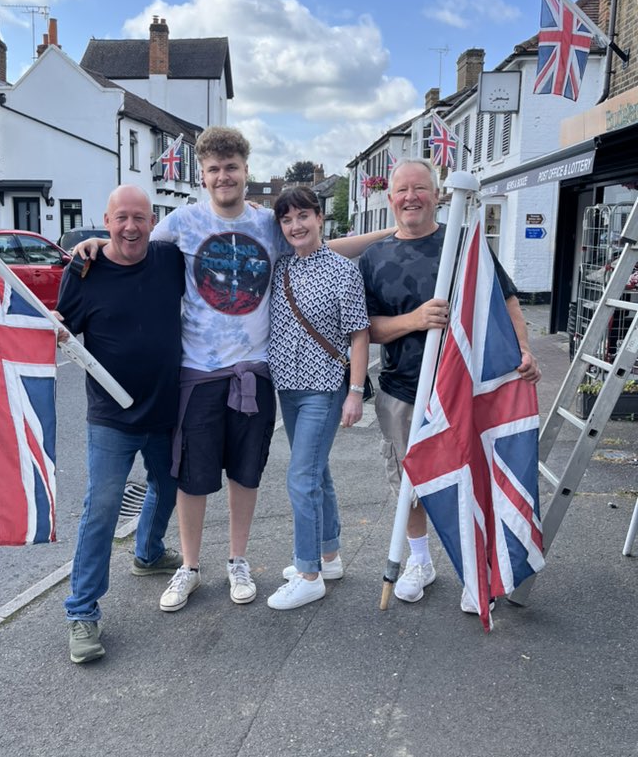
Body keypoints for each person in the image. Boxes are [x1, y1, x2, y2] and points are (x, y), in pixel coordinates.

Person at [74, 126, 394, 614]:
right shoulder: (180, 223)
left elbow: (329, 246)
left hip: (256, 372)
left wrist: (394, 232)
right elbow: (131, 247)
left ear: (246, 171)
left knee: (246, 475)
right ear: (202, 176)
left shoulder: (269, 223)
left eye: (232, 167)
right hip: (197, 372)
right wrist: (99, 240)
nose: (224, 176)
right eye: (214, 169)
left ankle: (237, 560)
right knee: (192, 477)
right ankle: (190, 567)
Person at [358, 158, 540, 612]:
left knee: (471, 473)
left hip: (466, 388)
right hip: (403, 390)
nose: (410, 197)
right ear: (390, 198)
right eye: (402, 190)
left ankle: (473, 568)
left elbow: (506, 298)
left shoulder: (464, 244)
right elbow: (367, 328)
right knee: (412, 480)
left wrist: (523, 351)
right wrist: (414, 320)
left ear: (437, 194)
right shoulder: (375, 257)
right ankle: (421, 562)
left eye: (420, 188)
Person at [56, 185, 185, 663]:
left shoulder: (172, 260)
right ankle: (82, 612)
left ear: (153, 222)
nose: (131, 227)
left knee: (170, 487)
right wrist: (54, 329)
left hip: (166, 407)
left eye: (140, 218)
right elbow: (62, 334)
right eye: (121, 218)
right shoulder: (83, 269)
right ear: (105, 221)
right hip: (111, 415)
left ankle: (148, 553)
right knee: (102, 508)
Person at [266, 186, 369, 610]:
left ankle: (308, 573)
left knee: (301, 478)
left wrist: (356, 393)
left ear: (320, 218)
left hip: (325, 389)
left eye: (303, 216)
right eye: (287, 219)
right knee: (317, 473)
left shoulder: (343, 271)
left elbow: (359, 333)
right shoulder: (281, 267)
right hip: (287, 389)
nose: (296, 226)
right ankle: (329, 556)